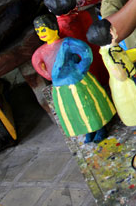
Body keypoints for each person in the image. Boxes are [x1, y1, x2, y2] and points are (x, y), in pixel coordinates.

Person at [31, 14, 115, 143]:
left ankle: (100, 128)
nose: (40, 33)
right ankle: (88, 130)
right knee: (73, 110)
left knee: (89, 105)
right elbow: (36, 62)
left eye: (43, 29)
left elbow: (85, 51)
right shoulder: (41, 51)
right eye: (38, 31)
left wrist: (81, 69)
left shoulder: (67, 43)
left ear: (53, 27)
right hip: (61, 87)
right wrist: (48, 75)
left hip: (78, 82)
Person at [87, 19, 136, 127]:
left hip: (131, 76)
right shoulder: (110, 55)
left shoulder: (112, 49)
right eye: (112, 28)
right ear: (110, 33)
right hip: (128, 83)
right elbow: (121, 75)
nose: (115, 29)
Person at [43, 0, 109, 87]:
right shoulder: (84, 14)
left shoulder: (61, 29)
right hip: (98, 53)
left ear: (51, 10)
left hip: (84, 61)